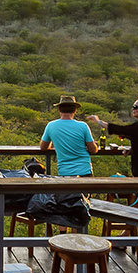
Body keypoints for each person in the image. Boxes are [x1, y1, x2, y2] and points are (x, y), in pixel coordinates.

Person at [28, 96, 96, 231]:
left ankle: (62, 236)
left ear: (59, 109)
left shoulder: (51, 126)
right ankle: (78, 238)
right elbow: (93, 149)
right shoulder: (83, 126)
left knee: (64, 205)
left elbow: (43, 147)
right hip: (84, 171)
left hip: (65, 173)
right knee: (80, 206)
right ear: (75, 110)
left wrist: (56, 142)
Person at [91, 96, 138, 209]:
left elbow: (122, 130)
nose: (133, 109)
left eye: (136, 107)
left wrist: (99, 122)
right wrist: (133, 149)